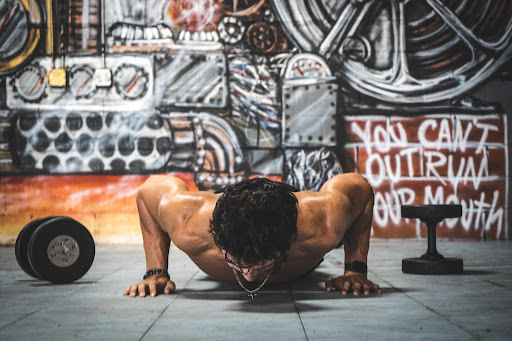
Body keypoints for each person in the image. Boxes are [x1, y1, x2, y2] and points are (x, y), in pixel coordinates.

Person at [124, 173, 382, 298]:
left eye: (263, 263)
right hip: (228, 205)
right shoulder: (187, 220)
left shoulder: (324, 221)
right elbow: (148, 193)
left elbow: (361, 188)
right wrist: (155, 273)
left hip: (285, 205)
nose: (248, 276)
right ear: (216, 239)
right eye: (237, 262)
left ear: (287, 244)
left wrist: (355, 270)